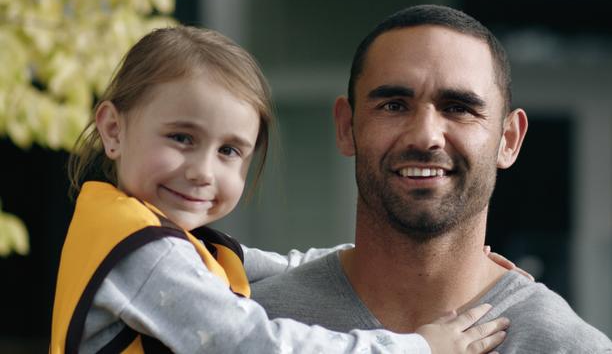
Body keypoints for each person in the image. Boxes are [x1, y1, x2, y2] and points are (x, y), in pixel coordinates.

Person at [49, 25, 512, 354]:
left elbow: (280, 265)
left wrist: (452, 262)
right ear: (112, 130)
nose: (202, 171)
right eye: (181, 139)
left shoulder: (144, 233)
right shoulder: (143, 255)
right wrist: (418, 348)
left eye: (229, 151)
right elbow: (259, 346)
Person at [251, 4, 612, 353]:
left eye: (458, 108)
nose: (425, 136)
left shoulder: (566, 346)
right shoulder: (251, 323)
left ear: (508, 140)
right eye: (394, 105)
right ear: (347, 127)